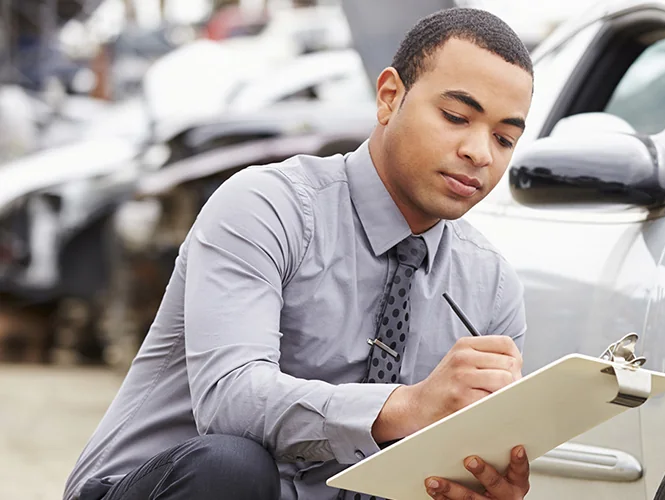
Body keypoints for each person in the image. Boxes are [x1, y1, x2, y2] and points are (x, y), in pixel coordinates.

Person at [64, 7, 535, 500]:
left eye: (504, 138)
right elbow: (230, 400)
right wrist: (405, 407)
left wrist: (481, 484)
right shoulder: (266, 206)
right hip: (177, 486)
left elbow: (457, 457)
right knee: (232, 466)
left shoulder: (491, 286)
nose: (480, 152)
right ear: (390, 97)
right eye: (457, 117)